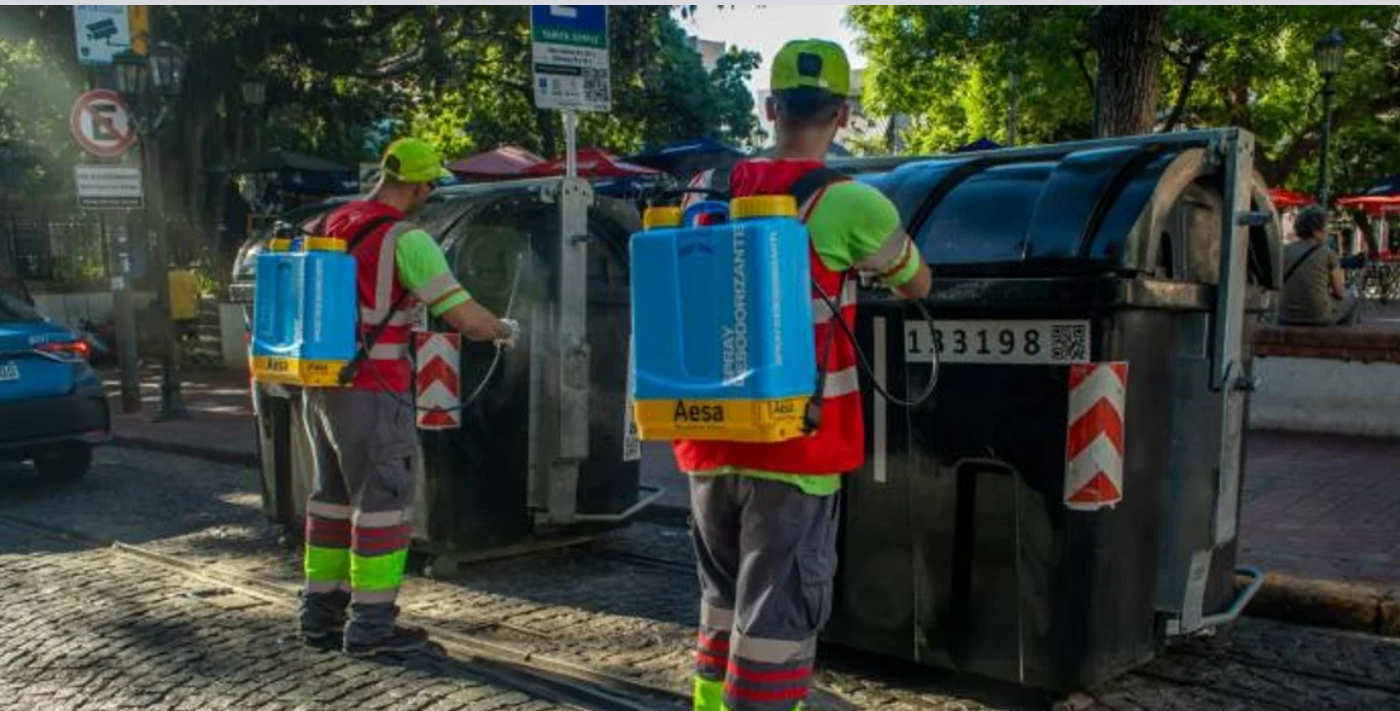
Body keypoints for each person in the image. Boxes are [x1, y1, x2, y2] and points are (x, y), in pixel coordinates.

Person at [675, 40, 933, 711]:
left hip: (706, 438)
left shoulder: (707, 187)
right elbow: (916, 282)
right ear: (844, 116)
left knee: (721, 604)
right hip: (798, 447)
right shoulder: (852, 203)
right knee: (778, 620)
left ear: (769, 106)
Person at [296, 137, 517, 657]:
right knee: (384, 506)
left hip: (321, 385)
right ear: (419, 184)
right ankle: (372, 627)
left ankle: (319, 613)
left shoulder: (329, 223)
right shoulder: (407, 239)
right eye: (430, 183)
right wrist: (504, 329)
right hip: (375, 389)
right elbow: (465, 318)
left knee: (329, 502)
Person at [1280, 205, 1360, 326]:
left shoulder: (1284, 251)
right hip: (1318, 317)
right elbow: (1340, 293)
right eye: (1325, 226)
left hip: (1285, 316)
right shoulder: (1327, 253)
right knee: (1352, 298)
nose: (1327, 231)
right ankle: (1344, 338)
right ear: (1316, 231)